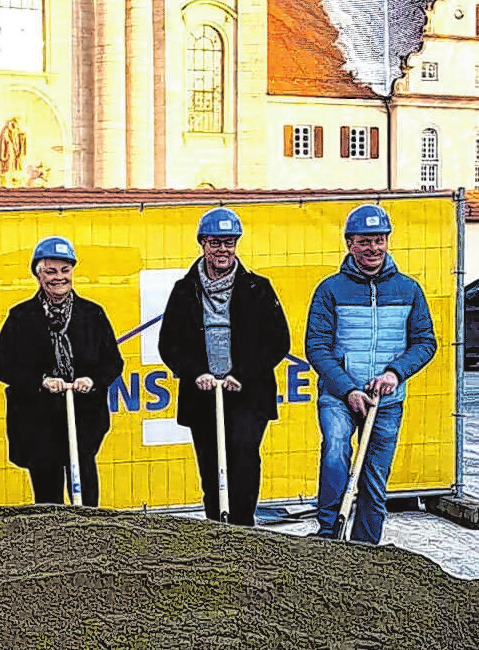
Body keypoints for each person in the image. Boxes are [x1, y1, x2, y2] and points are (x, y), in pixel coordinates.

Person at [305, 205, 436, 544]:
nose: (373, 249)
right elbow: (317, 346)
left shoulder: (409, 290)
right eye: (364, 241)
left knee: (375, 476)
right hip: (339, 395)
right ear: (350, 244)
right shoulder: (330, 290)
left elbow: (425, 342)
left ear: (388, 242)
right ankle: (328, 533)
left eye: (379, 240)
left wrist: (395, 374)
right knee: (335, 451)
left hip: (386, 402)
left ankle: (366, 548)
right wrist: (348, 389)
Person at [158, 209, 291, 526]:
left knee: (242, 456)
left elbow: (278, 341)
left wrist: (241, 374)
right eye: (215, 242)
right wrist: (195, 373)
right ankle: (217, 527)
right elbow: (169, 344)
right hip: (202, 394)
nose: (223, 250)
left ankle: (243, 526)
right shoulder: (183, 289)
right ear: (202, 243)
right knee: (211, 464)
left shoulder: (258, 288)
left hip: (248, 393)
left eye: (229, 243)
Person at [0, 237, 124, 506]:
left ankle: (90, 539)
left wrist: (92, 380)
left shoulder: (92, 314)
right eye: (50, 271)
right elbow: (3, 366)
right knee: (47, 496)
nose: (59, 278)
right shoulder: (20, 317)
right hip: (38, 420)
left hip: (84, 416)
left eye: (65, 270)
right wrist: (41, 381)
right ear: (38, 275)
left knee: (85, 485)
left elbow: (113, 361)